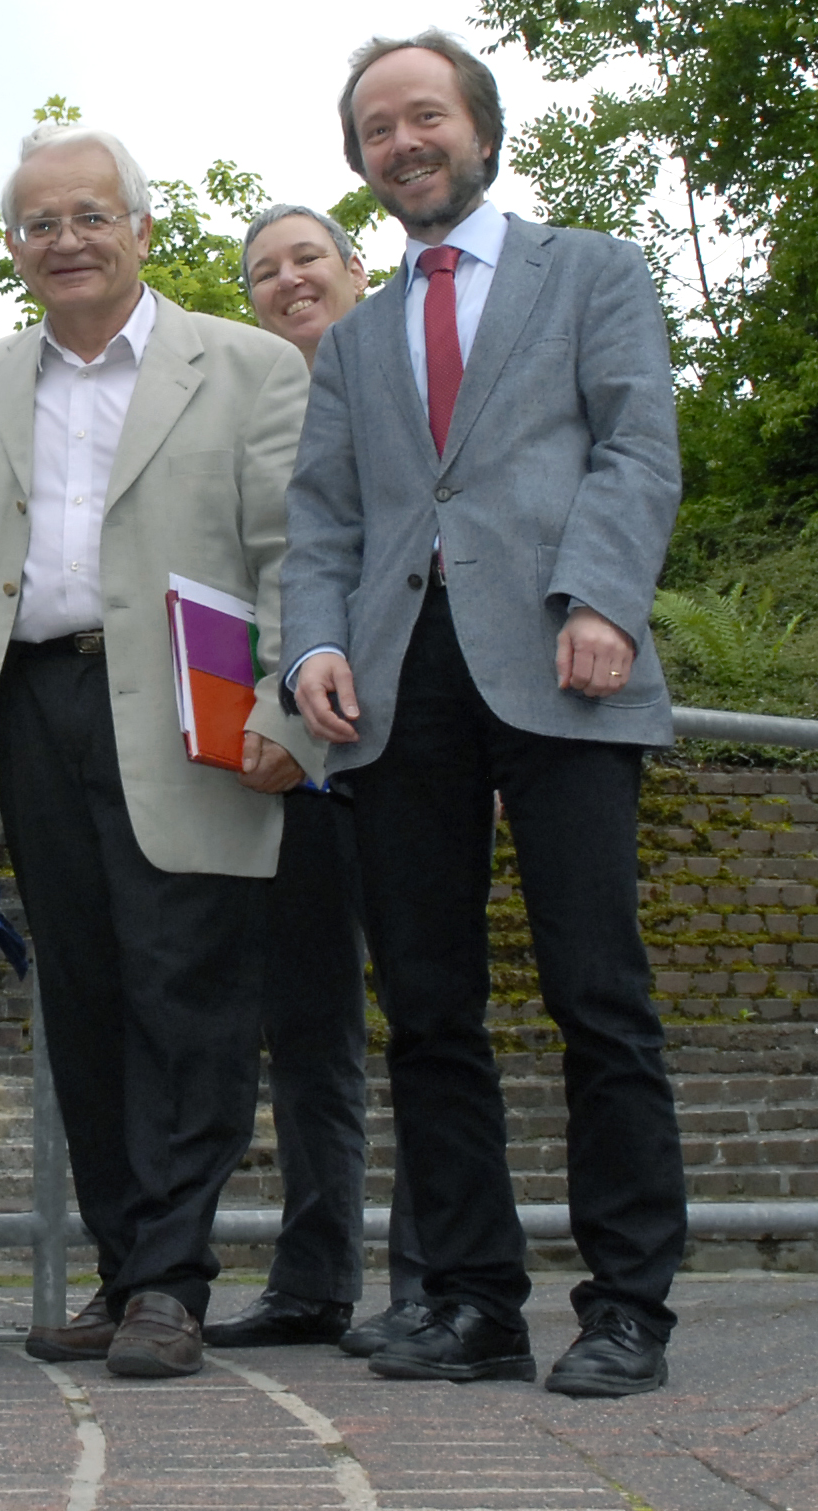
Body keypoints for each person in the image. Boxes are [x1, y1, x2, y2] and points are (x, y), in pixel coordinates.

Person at [285, 30, 687, 1396]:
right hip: (404, 688)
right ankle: (472, 1303)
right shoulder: (354, 341)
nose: (405, 144)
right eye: (378, 131)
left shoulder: (593, 272)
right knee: (432, 1011)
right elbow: (326, 520)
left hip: (569, 658)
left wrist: (603, 601)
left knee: (599, 996)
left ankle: (629, 1304)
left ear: (480, 128)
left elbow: (636, 443)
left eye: (425, 117)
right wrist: (311, 651)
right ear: (362, 163)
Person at [0, 125, 318, 1380]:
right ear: (11, 248)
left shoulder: (247, 367)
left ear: (141, 230)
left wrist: (286, 707)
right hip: (33, 712)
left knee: (187, 991)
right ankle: (121, 1263)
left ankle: (170, 1281)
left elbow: (291, 555)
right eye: (40, 224)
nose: (66, 241)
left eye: (90, 216)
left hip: (195, 706)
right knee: (83, 1004)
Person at [204, 204, 429, 1358]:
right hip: (290, 765)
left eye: (306, 259)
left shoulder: (419, 379)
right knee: (305, 1028)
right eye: (261, 272)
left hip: (408, 747)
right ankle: (313, 1276)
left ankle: (434, 1283)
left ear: (357, 267)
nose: (285, 281)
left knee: (433, 1018)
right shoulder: (240, 407)